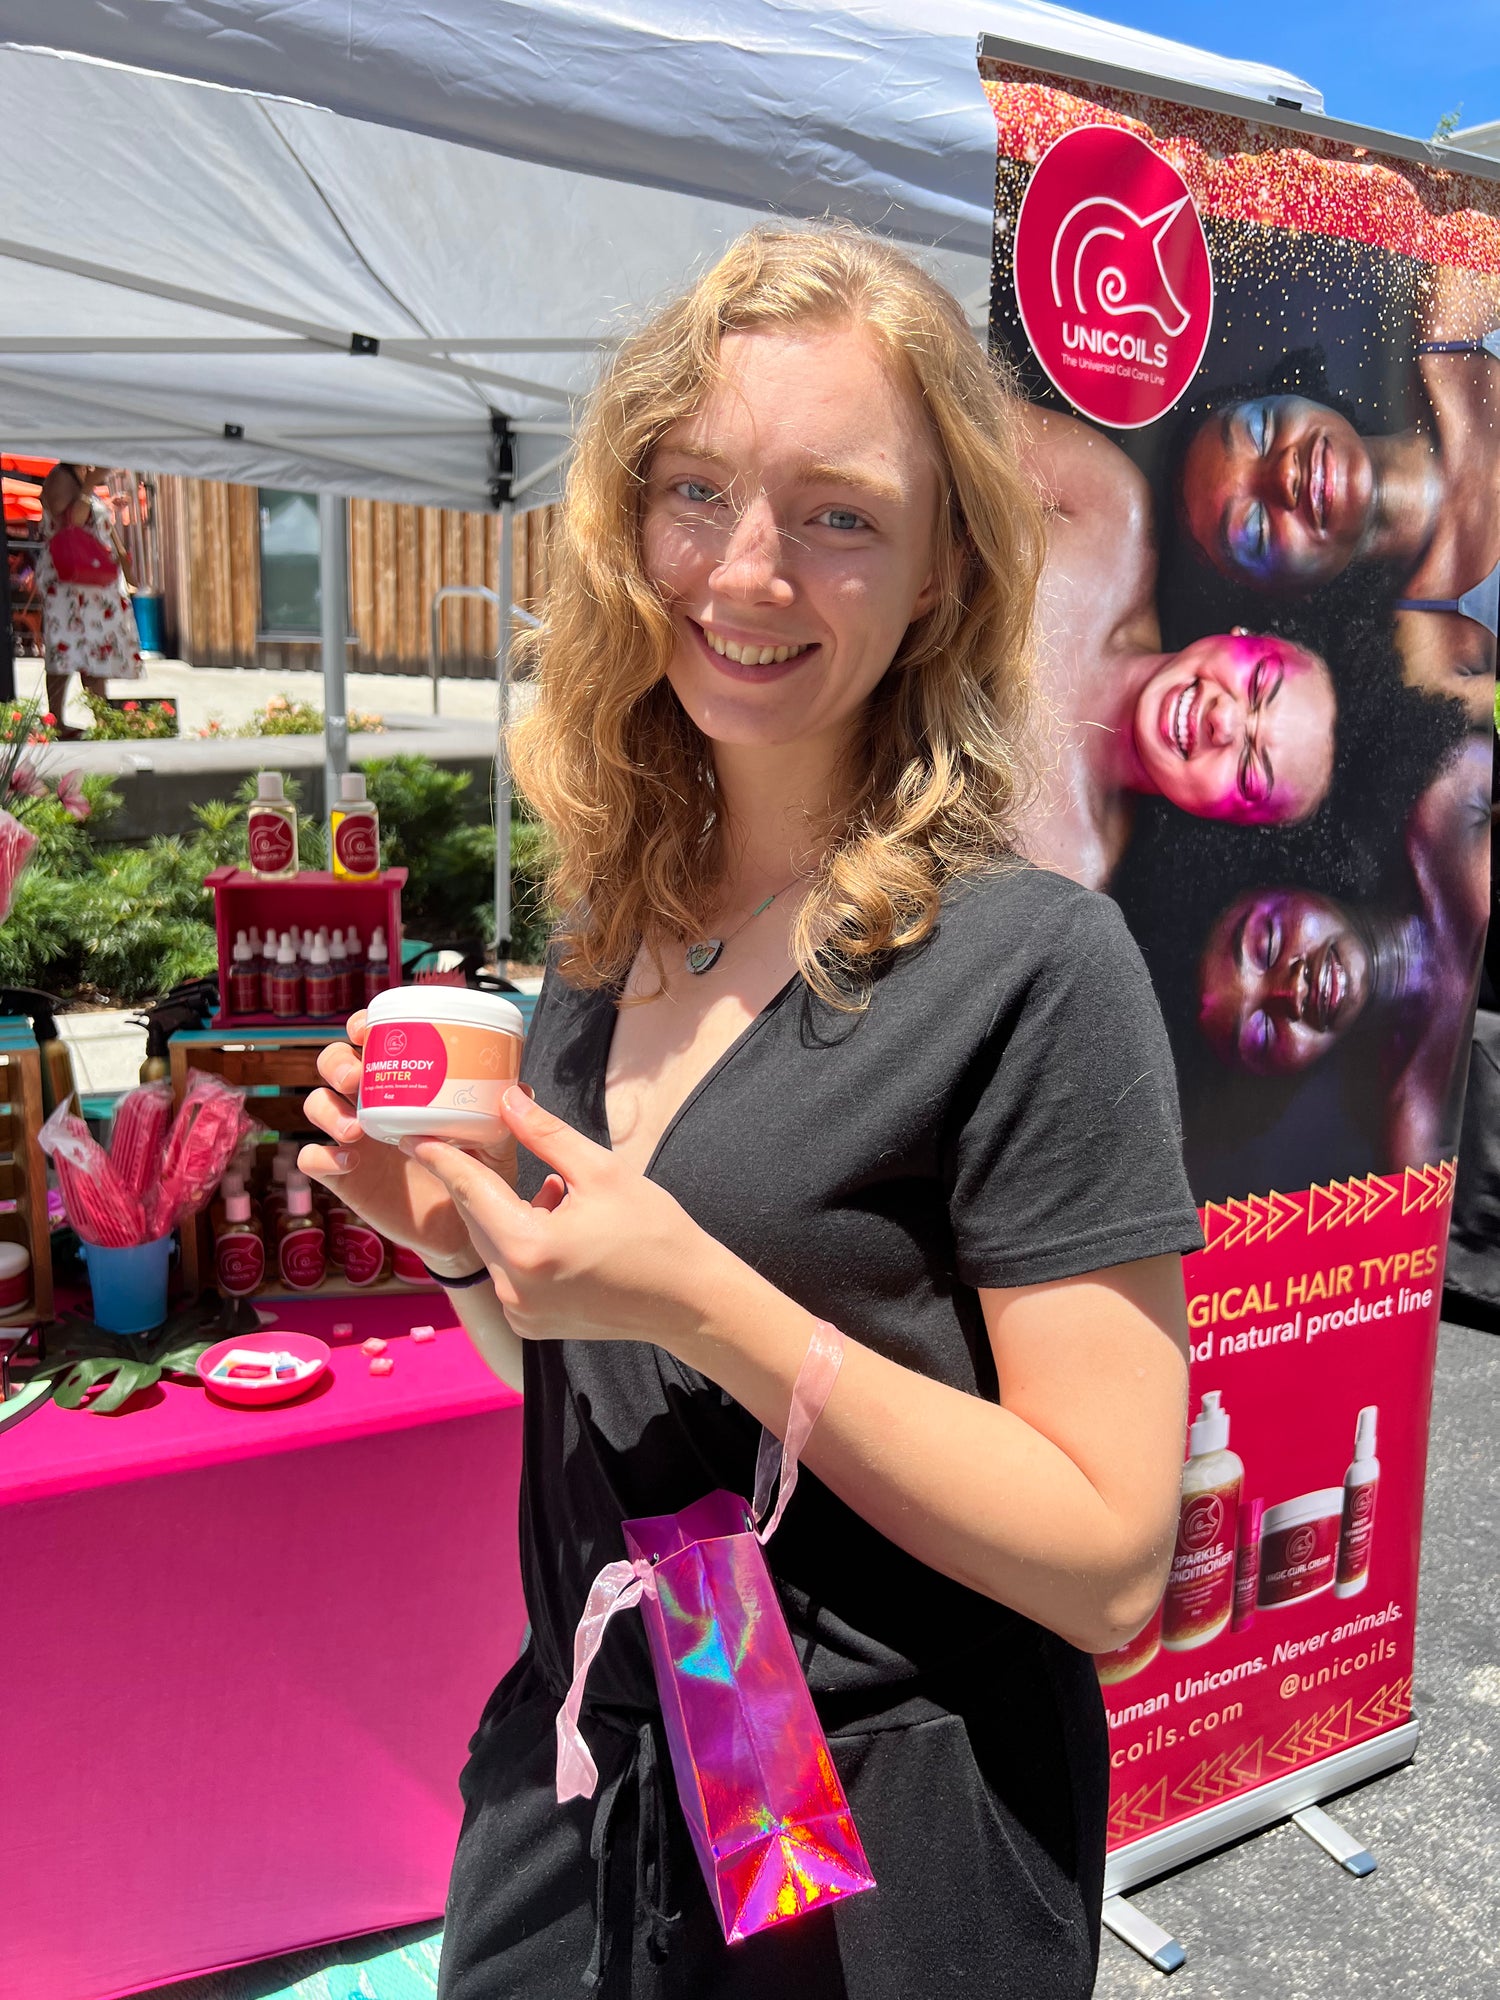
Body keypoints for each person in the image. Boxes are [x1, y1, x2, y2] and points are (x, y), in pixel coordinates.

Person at [300, 228, 1202, 1999]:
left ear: (947, 568)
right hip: (613, 1735)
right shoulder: (606, 934)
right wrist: (481, 1268)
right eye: (695, 490)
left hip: (863, 1792)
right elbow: (602, 1377)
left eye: (840, 512)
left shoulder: (1029, 965)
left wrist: (700, 1292)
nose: (748, 569)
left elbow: (1109, 1561)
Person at [1020, 404, 1336, 887]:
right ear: (1243, 637)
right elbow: (936, 414)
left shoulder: (1067, 875)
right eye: (1256, 683)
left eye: (1249, 770)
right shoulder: (1110, 510)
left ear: (1226, 818)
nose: (1224, 720)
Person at [1175, 269, 1499, 719]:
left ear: (1298, 395)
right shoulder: (1431, 668)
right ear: (1290, 592)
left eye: (1260, 429)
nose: (1285, 473)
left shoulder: (1457, 319)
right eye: (1255, 527)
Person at [1196, 732, 1491, 1169]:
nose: (1291, 992)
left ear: (1287, 877)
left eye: (1267, 944)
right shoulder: (1416, 1130)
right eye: (1260, 1036)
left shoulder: (1448, 803)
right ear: (1281, 1078)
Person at [35, 462, 143, 736]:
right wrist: (89, 484)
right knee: (65, 650)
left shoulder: (84, 478)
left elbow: (98, 526)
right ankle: (55, 720)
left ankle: (102, 720)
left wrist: (124, 561)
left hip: (93, 586)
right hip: (69, 585)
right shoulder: (62, 477)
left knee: (95, 652)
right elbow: (71, 523)